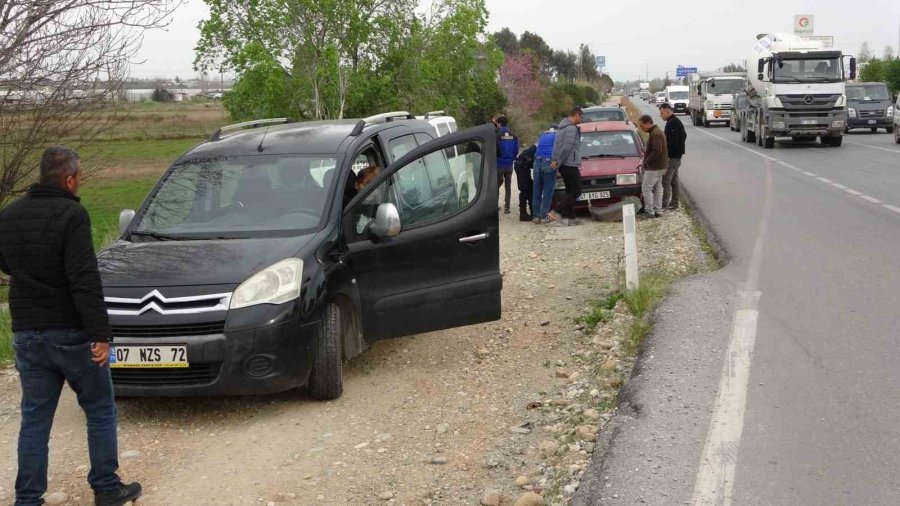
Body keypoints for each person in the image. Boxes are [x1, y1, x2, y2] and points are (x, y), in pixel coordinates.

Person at [0, 147, 142, 506]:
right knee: (99, 409)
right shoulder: (72, 214)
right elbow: (83, 278)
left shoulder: (9, 215)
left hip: (27, 333)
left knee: (34, 418)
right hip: (71, 333)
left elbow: (6, 264)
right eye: (78, 178)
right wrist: (100, 334)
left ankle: (27, 499)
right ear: (69, 179)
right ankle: (106, 488)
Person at [549, 106, 584, 226]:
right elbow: (567, 148)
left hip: (564, 164)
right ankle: (555, 211)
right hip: (569, 163)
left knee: (569, 190)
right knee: (577, 190)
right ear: (576, 115)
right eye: (581, 116)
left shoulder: (561, 127)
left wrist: (555, 160)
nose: (582, 119)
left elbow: (556, 145)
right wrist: (558, 161)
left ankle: (572, 217)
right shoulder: (571, 129)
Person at [638, 115, 668, 218]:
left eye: (642, 126)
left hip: (655, 167)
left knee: (646, 188)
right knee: (658, 188)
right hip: (661, 166)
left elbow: (657, 151)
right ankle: (657, 210)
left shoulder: (655, 134)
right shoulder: (657, 131)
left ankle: (649, 210)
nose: (642, 128)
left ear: (648, 123)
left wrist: (647, 161)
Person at [659, 103, 686, 210]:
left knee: (666, 180)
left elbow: (674, 141)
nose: (661, 116)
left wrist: (669, 155)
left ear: (667, 111)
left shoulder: (673, 123)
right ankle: (674, 203)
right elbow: (683, 136)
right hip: (676, 156)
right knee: (674, 181)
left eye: (661, 113)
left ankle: (664, 205)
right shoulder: (673, 122)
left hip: (673, 157)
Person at [532, 125, 558, 224]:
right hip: (548, 162)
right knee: (547, 190)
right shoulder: (557, 136)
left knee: (537, 190)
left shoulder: (543, 134)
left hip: (537, 161)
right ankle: (544, 216)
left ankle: (536, 216)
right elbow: (558, 150)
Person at [494, 115, 519, 214]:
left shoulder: (497, 135)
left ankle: (494, 206)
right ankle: (507, 207)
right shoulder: (514, 135)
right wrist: (512, 158)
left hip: (499, 164)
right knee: (508, 186)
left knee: (496, 185)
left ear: (499, 124)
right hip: (509, 164)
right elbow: (516, 150)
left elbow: (495, 150)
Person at [513, 143, 536, 221]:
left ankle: (532, 211)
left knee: (530, 188)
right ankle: (523, 214)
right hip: (522, 167)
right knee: (524, 190)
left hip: (523, 167)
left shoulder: (536, 147)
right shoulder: (536, 148)